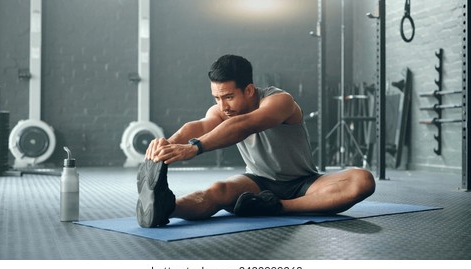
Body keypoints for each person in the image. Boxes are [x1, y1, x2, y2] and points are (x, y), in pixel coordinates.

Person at [136, 54, 376, 228]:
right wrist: (167, 144)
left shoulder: (280, 101)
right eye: (217, 98)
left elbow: (244, 125)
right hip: (257, 183)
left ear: (249, 90)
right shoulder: (223, 110)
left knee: (362, 180)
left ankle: (279, 206)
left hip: (303, 183)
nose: (222, 106)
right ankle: (165, 207)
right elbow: (199, 125)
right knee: (218, 190)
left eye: (228, 97)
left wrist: (195, 147)